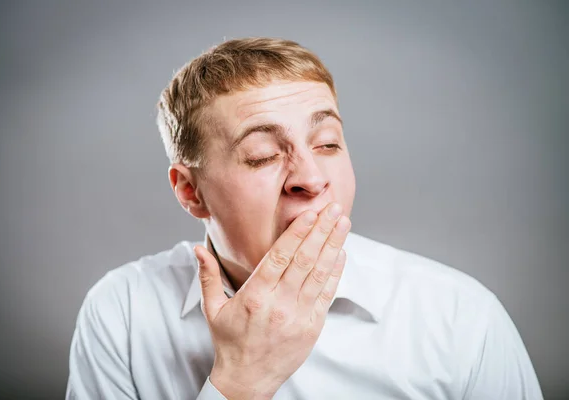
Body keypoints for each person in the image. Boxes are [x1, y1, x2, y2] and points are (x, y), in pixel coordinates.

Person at [66, 37, 543, 399]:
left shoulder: (460, 317)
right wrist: (240, 380)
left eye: (328, 143)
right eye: (261, 155)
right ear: (191, 192)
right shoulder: (122, 312)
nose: (311, 178)